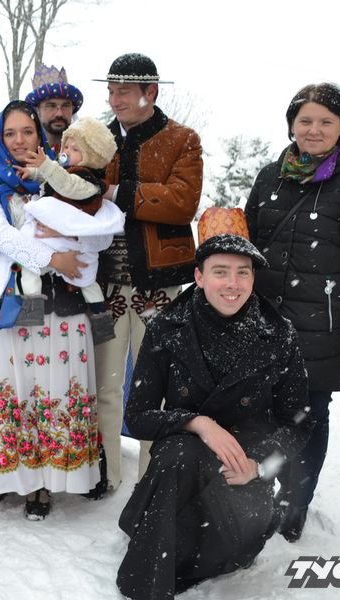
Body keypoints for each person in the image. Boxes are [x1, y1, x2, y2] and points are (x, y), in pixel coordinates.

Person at [116, 207, 313, 600]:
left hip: (242, 469)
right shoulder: (166, 327)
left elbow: (299, 423)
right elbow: (137, 416)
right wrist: (199, 423)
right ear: (199, 276)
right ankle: (147, 586)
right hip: (181, 467)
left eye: (243, 272)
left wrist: (257, 465)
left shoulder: (279, 334)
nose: (232, 284)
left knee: (222, 542)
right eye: (220, 271)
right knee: (178, 455)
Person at [244, 82, 340, 542]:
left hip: (321, 327)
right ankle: (257, 489)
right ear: (291, 125)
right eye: (305, 120)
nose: (314, 129)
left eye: (326, 121)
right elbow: (247, 246)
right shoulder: (270, 176)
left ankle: (294, 500)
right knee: (259, 411)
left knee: (308, 416)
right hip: (263, 322)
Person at [0, 100, 107, 521]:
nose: (19, 140)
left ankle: (43, 481)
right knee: (12, 387)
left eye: (27, 131)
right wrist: (52, 258)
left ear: (40, 134)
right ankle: (3, 474)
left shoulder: (59, 175)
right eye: (10, 133)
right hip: (11, 296)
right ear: (0, 138)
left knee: (51, 387)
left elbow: (93, 226)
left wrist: (70, 247)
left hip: (61, 303)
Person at [92, 53, 204, 495]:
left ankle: (151, 479)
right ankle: (104, 473)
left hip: (161, 285)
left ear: (150, 92)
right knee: (104, 383)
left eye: (123, 91)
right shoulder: (98, 139)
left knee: (155, 384)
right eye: (111, 91)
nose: (114, 99)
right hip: (105, 283)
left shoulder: (182, 140)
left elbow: (182, 202)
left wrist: (116, 192)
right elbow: (78, 191)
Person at [14, 116, 124, 343]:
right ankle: (32, 308)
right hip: (56, 237)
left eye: (76, 149)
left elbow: (67, 185)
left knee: (86, 279)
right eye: (66, 146)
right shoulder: (67, 171)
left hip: (74, 236)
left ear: (92, 157)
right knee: (32, 267)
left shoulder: (88, 180)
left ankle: (100, 317)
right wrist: (34, 173)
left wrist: (46, 166)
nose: (67, 152)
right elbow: (55, 177)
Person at [24, 64, 84, 150]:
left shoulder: (87, 151)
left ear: (72, 109)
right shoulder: (24, 151)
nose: (59, 114)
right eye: (51, 106)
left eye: (65, 106)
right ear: (37, 110)